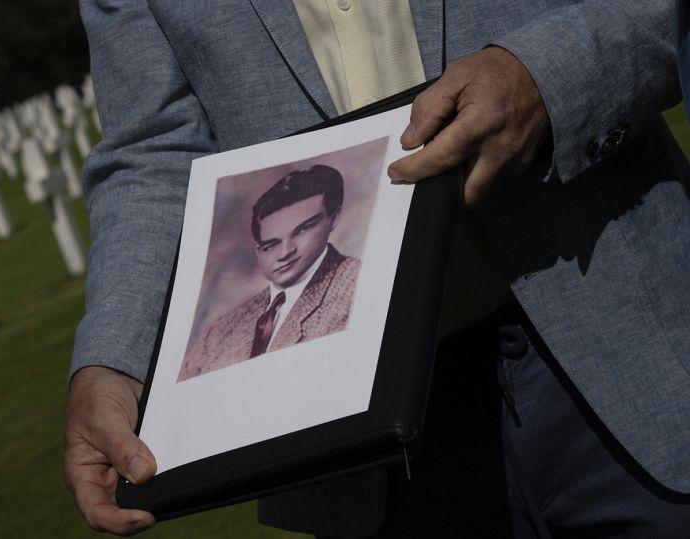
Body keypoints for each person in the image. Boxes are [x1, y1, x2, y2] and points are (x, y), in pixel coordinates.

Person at [64, 1, 690, 536]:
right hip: (350, 450)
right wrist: (113, 357)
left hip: (624, 343)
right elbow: (153, 151)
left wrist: (546, 78)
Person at [178, 165, 361, 382]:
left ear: (334, 218)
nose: (285, 253)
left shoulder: (357, 287)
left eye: (303, 230)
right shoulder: (217, 333)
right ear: (258, 250)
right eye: (270, 245)